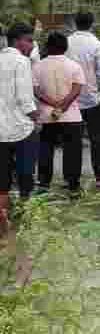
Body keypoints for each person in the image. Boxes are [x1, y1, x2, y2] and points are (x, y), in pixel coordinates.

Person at [33, 32, 86, 197]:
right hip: (71, 115)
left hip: (46, 115)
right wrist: (63, 105)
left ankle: (43, 184)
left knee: (45, 149)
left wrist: (52, 103)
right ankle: (73, 186)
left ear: (47, 47)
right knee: (72, 151)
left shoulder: (38, 66)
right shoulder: (74, 66)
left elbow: (36, 91)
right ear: (65, 47)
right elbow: (77, 88)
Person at [68, 11, 100, 189]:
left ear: (74, 23)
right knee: (97, 139)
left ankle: (71, 179)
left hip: (70, 100)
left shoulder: (67, 42)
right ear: (92, 23)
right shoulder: (97, 45)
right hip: (93, 98)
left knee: (72, 140)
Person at [0, 23, 38, 215]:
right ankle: (25, 218)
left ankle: (3, 222)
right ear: (17, 41)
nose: (31, 45)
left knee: (2, 181)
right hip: (21, 128)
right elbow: (24, 99)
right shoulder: (22, 62)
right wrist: (36, 118)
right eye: (29, 40)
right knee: (26, 175)